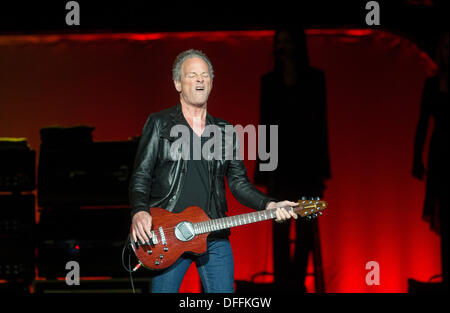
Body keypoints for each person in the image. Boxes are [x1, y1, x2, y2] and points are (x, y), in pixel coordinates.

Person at [128, 49, 298, 293]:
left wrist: (269, 205)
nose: (200, 80)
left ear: (211, 82)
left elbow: (239, 183)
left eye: (205, 75)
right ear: (178, 83)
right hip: (169, 235)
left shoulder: (225, 131)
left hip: (213, 234)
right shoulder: (159, 123)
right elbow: (141, 175)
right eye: (192, 75)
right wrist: (139, 211)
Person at [255, 27, 330, 292]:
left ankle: (296, 282)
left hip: (307, 164)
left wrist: (323, 168)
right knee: (280, 229)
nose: (282, 47)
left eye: (287, 41)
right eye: (279, 42)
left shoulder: (314, 79)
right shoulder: (270, 81)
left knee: (307, 227)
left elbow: (321, 126)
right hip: (281, 166)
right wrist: (263, 171)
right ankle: (284, 283)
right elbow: (265, 128)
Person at [413, 31, 449, 289]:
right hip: (442, 155)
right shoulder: (432, 84)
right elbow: (422, 123)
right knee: (445, 217)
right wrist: (416, 157)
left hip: (442, 151)